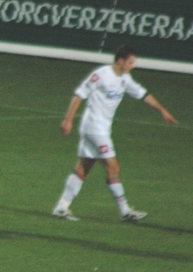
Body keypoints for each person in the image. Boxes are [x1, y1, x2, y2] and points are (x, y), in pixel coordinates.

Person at [52, 45, 178, 222]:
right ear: (121, 61)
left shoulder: (125, 78)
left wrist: (162, 111)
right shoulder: (101, 75)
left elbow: (143, 94)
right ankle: (125, 211)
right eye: (131, 62)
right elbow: (79, 94)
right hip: (94, 128)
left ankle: (61, 207)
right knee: (113, 167)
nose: (132, 65)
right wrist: (68, 120)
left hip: (101, 128)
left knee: (83, 167)